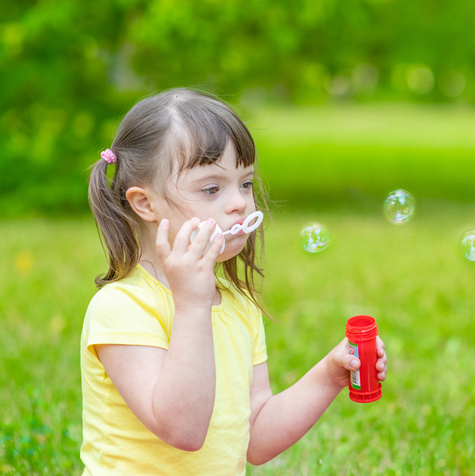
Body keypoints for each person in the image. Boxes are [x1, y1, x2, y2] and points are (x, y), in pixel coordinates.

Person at [81, 88, 388, 475]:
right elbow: (183, 430)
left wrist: (328, 375)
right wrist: (192, 303)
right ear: (145, 204)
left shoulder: (237, 304)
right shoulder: (123, 307)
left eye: (245, 183)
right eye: (212, 188)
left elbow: (255, 438)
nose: (240, 202)